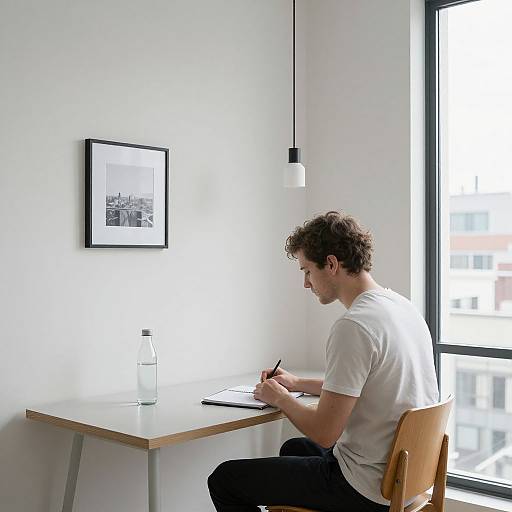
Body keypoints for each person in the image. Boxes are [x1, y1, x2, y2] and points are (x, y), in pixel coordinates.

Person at [208, 211, 439, 512]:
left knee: (225, 479)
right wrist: (295, 384)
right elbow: (366, 385)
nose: (306, 283)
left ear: (331, 264)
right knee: (294, 448)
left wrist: (281, 398)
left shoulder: (354, 325)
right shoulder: (401, 307)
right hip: (406, 481)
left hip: (366, 489)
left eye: (306, 271)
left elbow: (324, 432)